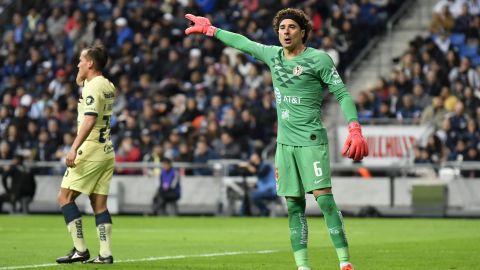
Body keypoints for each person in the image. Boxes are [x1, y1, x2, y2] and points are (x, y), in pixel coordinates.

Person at [185, 8, 368, 270]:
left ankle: (344, 263)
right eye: (282, 28)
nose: (286, 32)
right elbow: (244, 43)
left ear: (303, 32)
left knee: (325, 200)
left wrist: (354, 127)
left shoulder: (319, 60)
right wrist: (211, 30)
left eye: (292, 27)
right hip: (284, 144)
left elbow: (342, 94)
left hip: (311, 140)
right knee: (294, 206)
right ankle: (303, 266)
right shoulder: (274, 56)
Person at [56, 44, 116, 264]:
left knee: (64, 197)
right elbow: (79, 81)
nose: (77, 64)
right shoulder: (108, 84)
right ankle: (105, 254)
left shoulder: (92, 87)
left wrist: (73, 147)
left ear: (90, 63)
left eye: (81, 60)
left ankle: (80, 250)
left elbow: (90, 118)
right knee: (99, 205)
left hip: (90, 149)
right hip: (107, 150)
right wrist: (82, 76)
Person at [238, 152, 277, 216]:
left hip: (272, 191)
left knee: (254, 195)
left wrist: (248, 165)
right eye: (252, 159)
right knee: (247, 194)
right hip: (264, 191)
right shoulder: (258, 167)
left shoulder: (266, 165)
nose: (253, 161)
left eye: (254, 159)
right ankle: (244, 213)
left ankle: (265, 210)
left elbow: (259, 173)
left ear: (259, 158)